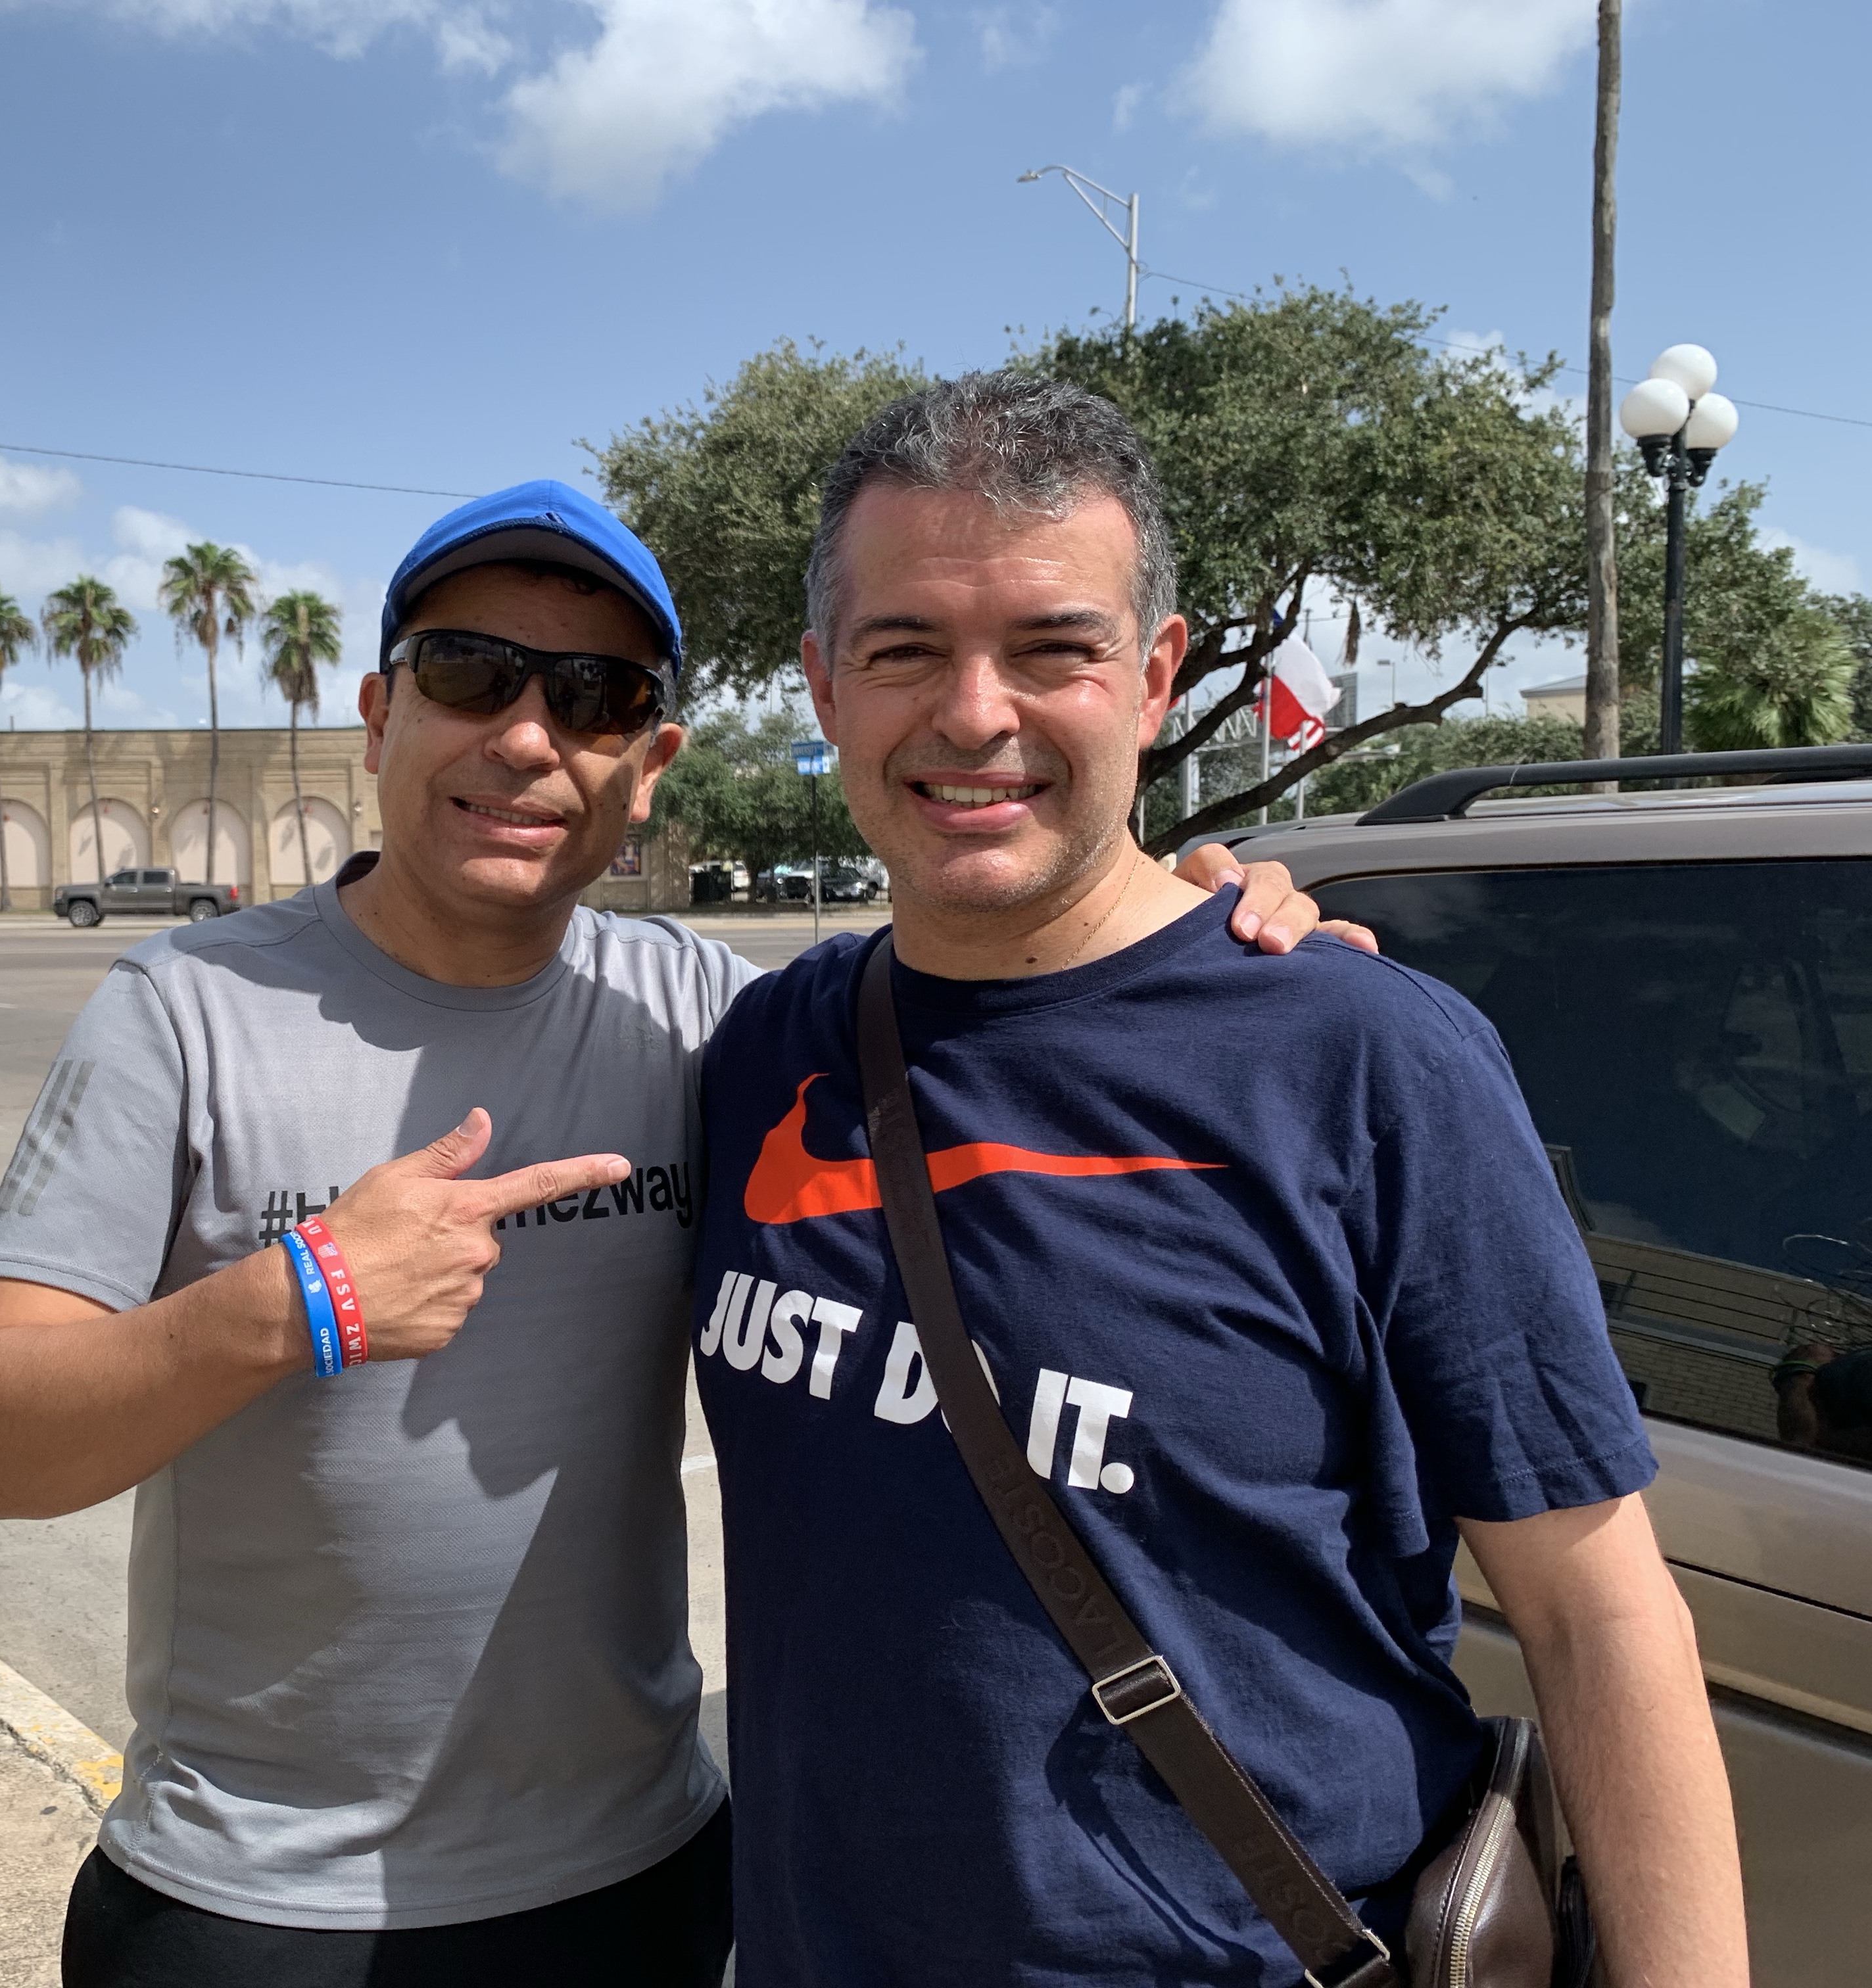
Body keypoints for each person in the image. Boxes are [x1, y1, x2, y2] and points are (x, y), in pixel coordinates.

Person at [0, 479, 1342, 1987]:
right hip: (262, 1903)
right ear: (381, 716)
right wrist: (301, 1298)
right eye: (471, 674)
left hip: (643, 1885)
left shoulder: (710, 1020)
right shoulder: (187, 1014)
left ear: (647, 766)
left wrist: (1199, 929)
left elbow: (1011, 1015)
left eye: (596, 698)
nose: (529, 738)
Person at [692, 373, 1748, 1985]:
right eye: (905, 649)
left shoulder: (1364, 1059)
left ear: (1154, 676)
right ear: (826, 685)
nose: (975, 713)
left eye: (1053, 648)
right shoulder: (767, 1048)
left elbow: (1599, 1615)